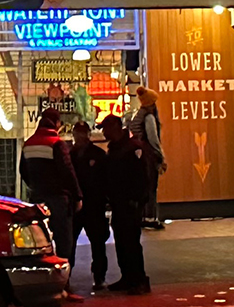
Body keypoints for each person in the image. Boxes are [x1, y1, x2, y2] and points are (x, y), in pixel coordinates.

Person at [19, 107, 82, 275]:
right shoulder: (56, 143)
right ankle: (63, 282)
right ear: (56, 123)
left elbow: (22, 171)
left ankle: (43, 277)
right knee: (63, 241)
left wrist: (35, 186)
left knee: (42, 239)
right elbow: (68, 172)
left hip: (37, 197)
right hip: (58, 199)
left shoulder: (29, 143)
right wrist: (77, 196)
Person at [99, 114, 150, 293]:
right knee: (122, 241)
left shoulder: (132, 148)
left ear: (116, 128)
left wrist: (137, 200)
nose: (104, 132)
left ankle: (139, 280)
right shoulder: (116, 148)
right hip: (119, 202)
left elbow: (141, 177)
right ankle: (128, 277)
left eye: (106, 128)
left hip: (129, 203)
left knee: (131, 242)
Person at [70, 118, 111, 292]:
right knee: (69, 243)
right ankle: (66, 277)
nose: (80, 137)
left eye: (82, 133)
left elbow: (105, 180)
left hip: (94, 205)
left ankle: (99, 276)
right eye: (77, 133)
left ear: (88, 134)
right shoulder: (69, 155)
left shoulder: (97, 155)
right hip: (77, 207)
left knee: (98, 243)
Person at [134, 87, 167, 229]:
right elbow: (153, 139)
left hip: (140, 155)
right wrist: (161, 156)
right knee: (151, 186)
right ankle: (150, 217)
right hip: (148, 156)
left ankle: (142, 216)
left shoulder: (140, 115)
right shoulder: (149, 117)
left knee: (142, 186)